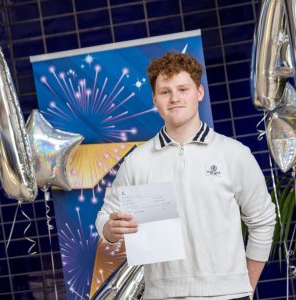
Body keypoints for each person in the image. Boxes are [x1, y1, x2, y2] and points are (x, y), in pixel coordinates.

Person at [96, 52, 276, 300]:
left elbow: (263, 221)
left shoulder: (234, 154)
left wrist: (247, 285)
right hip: (161, 295)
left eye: (183, 89)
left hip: (228, 295)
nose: (175, 98)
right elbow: (105, 216)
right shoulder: (137, 162)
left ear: (199, 93)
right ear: (155, 100)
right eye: (165, 92)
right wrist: (109, 228)